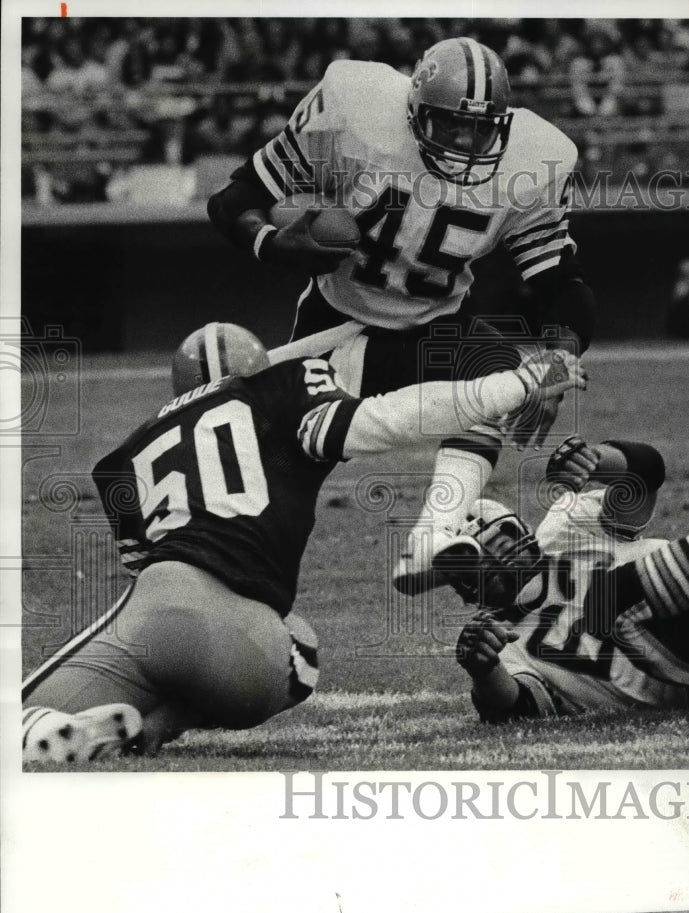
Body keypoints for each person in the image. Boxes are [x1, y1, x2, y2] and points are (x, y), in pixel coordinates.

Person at [22, 322, 586, 764]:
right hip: (261, 660)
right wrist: (518, 380)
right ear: (260, 365)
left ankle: (59, 727)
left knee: (22, 720)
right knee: (303, 647)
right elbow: (387, 419)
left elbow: (142, 563)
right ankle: (157, 728)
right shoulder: (280, 385)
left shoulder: (122, 457)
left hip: (155, 615)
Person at [207, 36, 597, 596]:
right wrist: (271, 243)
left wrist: (557, 364)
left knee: (502, 378)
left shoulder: (533, 159)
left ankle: (433, 538)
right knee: (278, 461)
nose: (465, 143)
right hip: (333, 320)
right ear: (414, 115)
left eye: (481, 128)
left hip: (433, 323)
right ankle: (220, 572)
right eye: (449, 126)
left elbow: (562, 281)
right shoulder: (354, 111)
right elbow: (233, 199)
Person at [441, 368, 689, 720]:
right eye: (468, 569)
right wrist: (482, 669)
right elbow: (517, 707)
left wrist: (595, 461)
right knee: (609, 597)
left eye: (490, 547)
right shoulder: (507, 646)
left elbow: (644, 472)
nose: (488, 566)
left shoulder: (564, 528)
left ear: (516, 530)